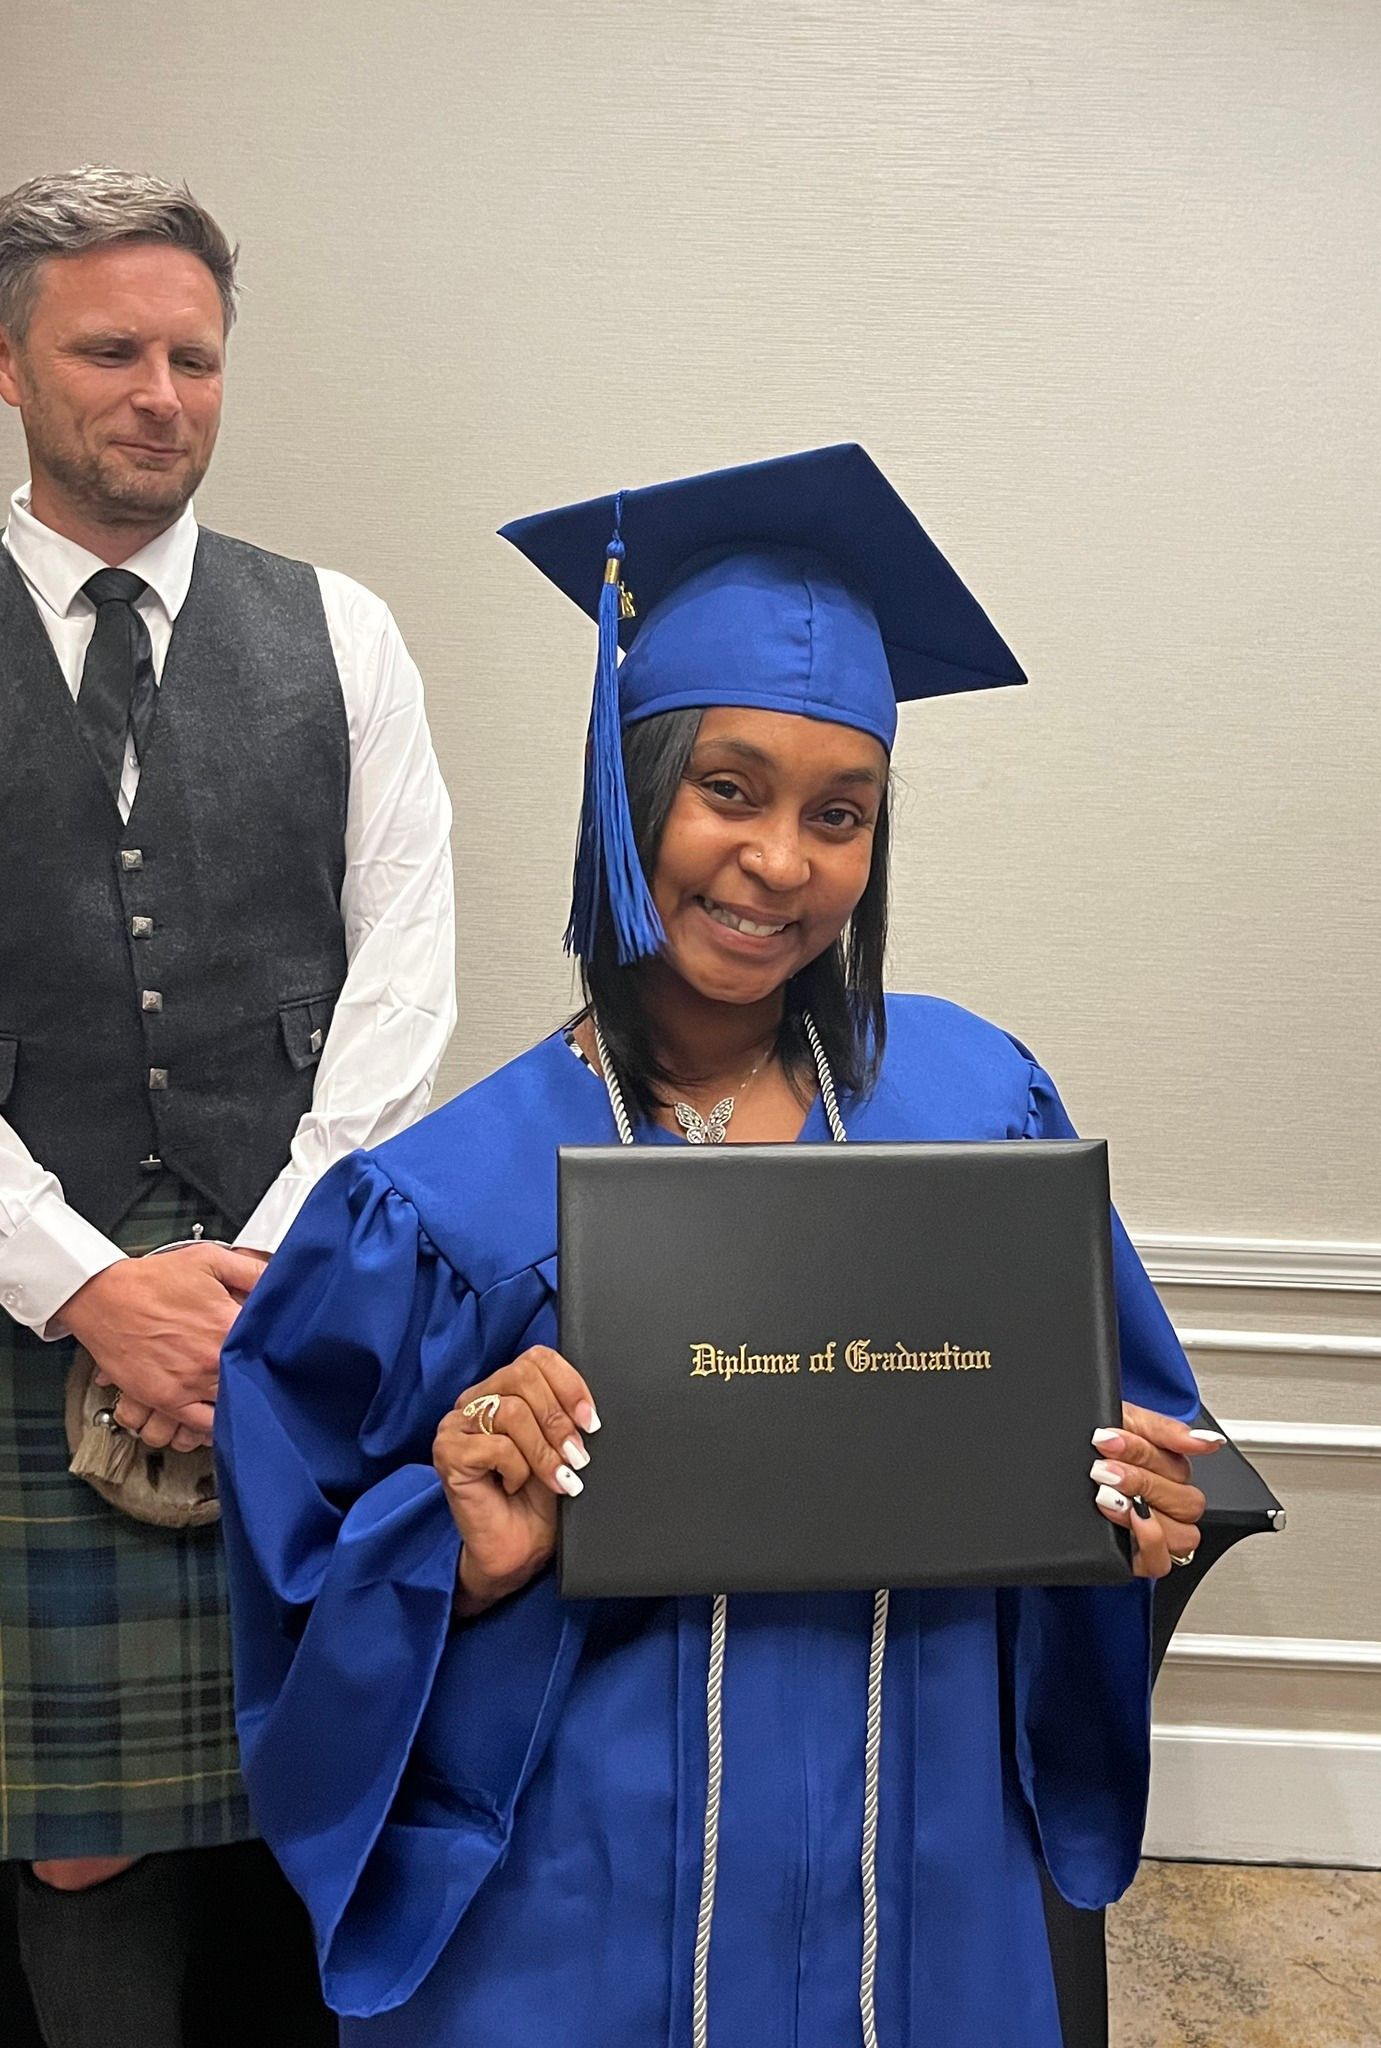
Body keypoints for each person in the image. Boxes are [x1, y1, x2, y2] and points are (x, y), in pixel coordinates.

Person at [218, 444, 1218, 2047]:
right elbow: (300, 1595)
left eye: (843, 813)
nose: (780, 863)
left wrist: (1147, 1511)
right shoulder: (447, 1203)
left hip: (921, 1899)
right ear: (632, 785)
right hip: (571, 1924)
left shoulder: (981, 1107)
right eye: (728, 790)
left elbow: (1148, 1448)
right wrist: (455, 1556)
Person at [0, 167, 455, 2047]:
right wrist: (83, 1280)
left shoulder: (340, 632)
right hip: (23, 1328)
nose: (159, 392)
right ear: (12, 363)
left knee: (318, 1780)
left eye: (194, 353)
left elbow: (403, 978)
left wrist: (266, 1265)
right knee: (84, 1839)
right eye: (109, 348)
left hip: (297, 1319)